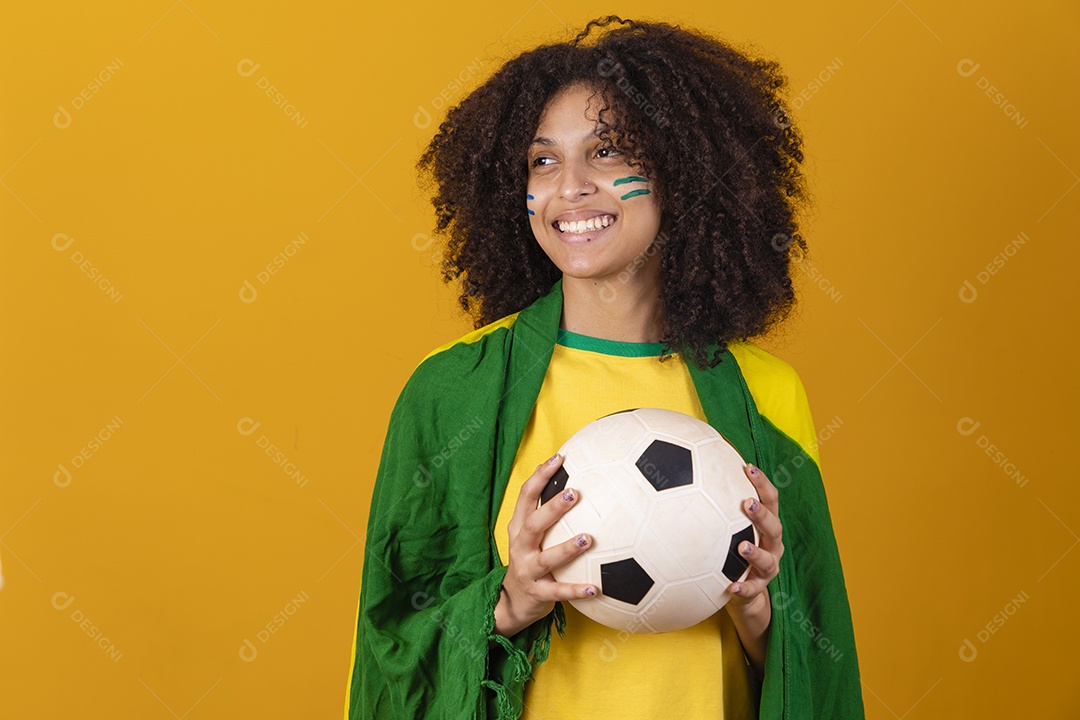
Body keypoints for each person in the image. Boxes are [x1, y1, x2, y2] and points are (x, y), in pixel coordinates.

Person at [345, 15, 864, 719]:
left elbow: (819, 665)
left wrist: (761, 610)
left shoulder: (765, 394)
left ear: (680, 170)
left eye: (610, 153)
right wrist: (506, 603)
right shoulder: (452, 391)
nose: (571, 188)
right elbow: (391, 649)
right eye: (544, 161)